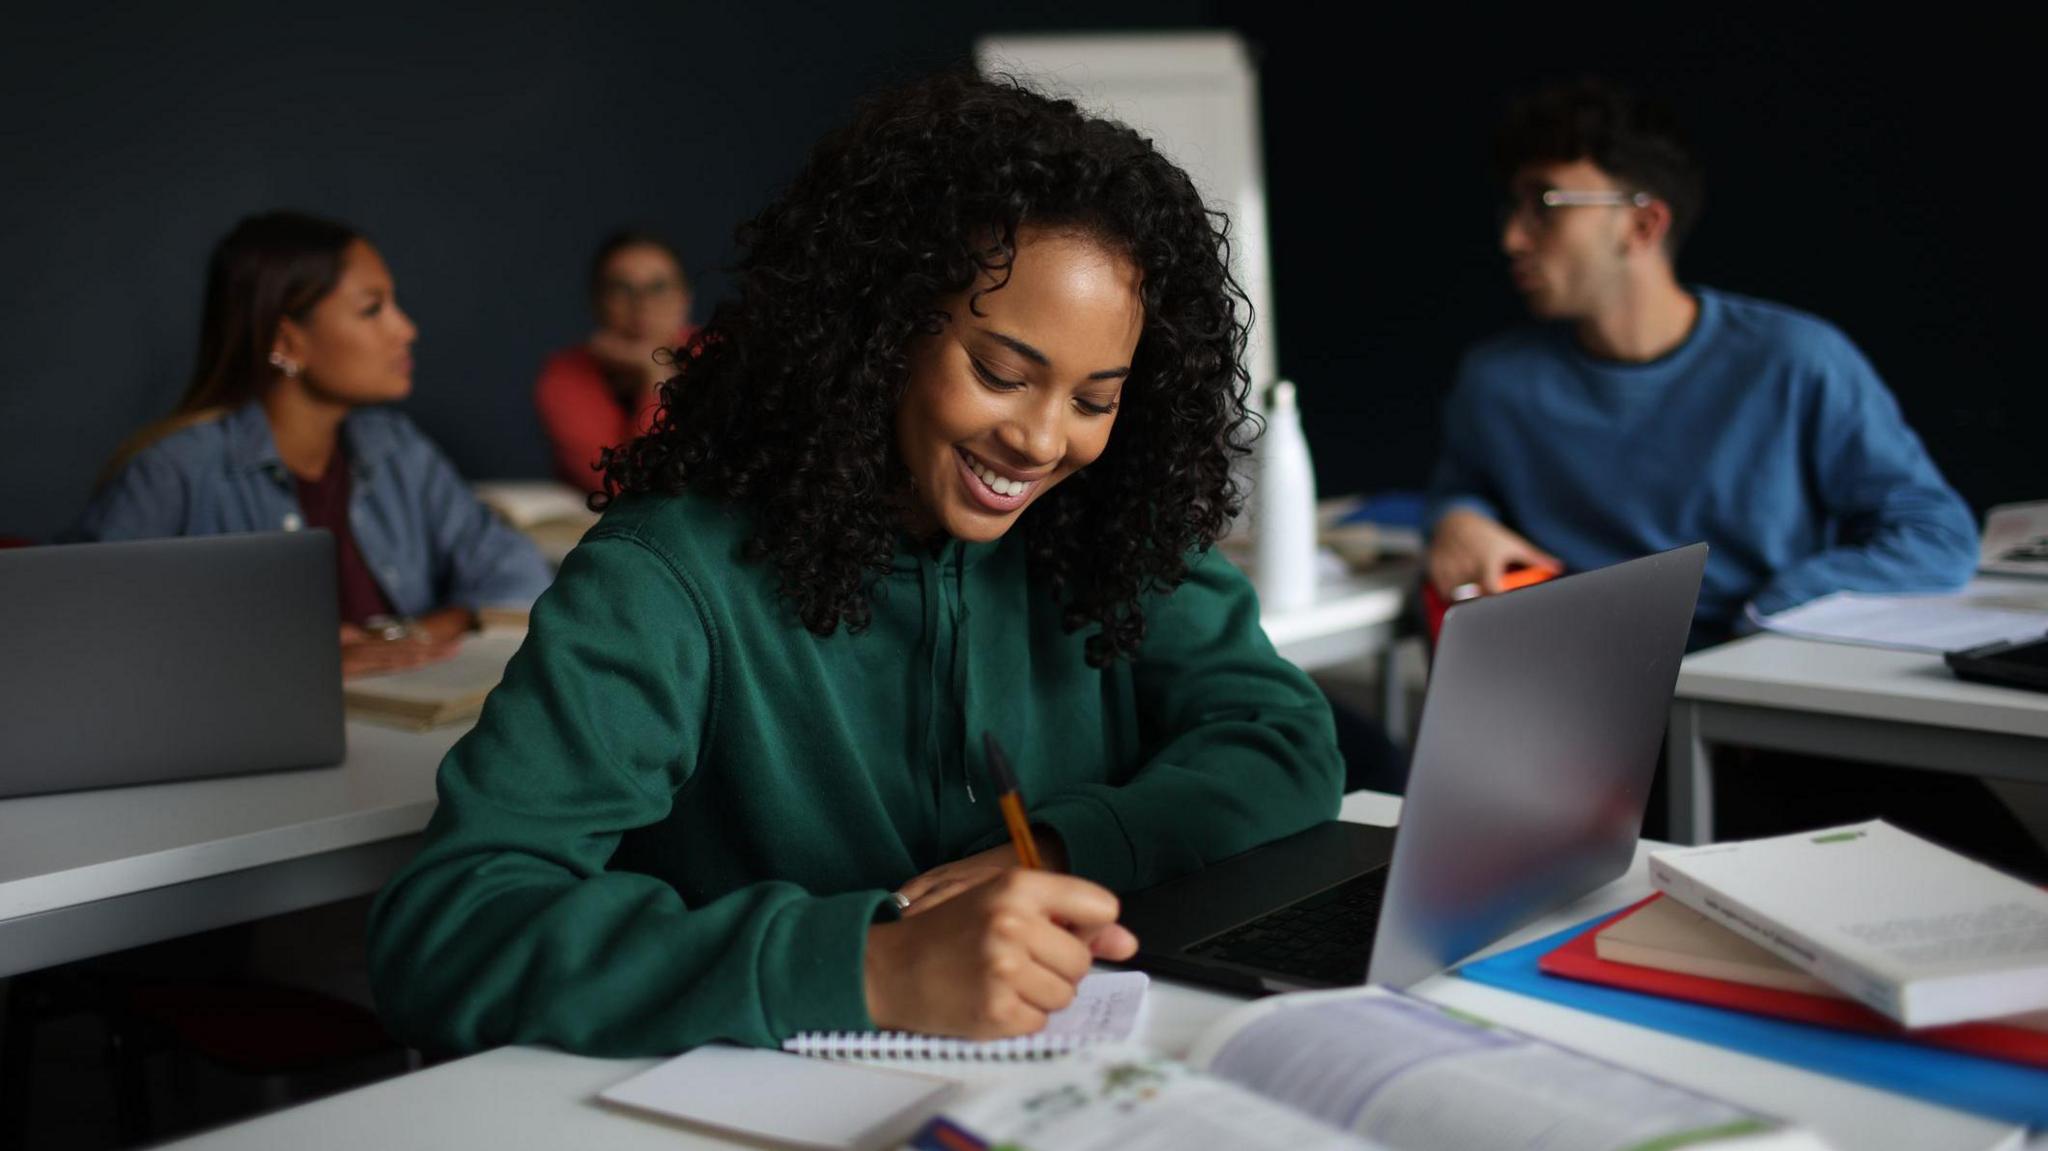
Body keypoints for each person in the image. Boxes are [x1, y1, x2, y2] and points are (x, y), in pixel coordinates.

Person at [367, 73, 1346, 1056]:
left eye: (1094, 399)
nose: (1042, 440)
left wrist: (1056, 843)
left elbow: (1284, 737)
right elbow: (449, 927)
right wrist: (872, 964)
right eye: (999, 373)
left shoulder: (1101, 527)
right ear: (880, 327)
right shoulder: (666, 579)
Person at [1424, 78, 1977, 649]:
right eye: (1512, 208)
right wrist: (1456, 518)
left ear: (1642, 225)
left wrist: (1774, 608)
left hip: (1758, 679)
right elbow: (1462, 486)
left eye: (1544, 205)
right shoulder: (1496, 382)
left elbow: (1936, 534)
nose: (1512, 238)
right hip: (1577, 680)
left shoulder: (1794, 360)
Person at [71, 211, 551, 679]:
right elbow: (76, 640)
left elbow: (520, 573)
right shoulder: (174, 471)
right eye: (371, 309)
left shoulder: (397, 448)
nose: (406, 329)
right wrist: (284, 663)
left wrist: (416, 632)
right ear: (288, 341)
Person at [534, 231, 697, 493]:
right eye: (622, 289)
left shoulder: (719, 356)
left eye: (658, 288)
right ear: (597, 302)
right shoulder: (565, 375)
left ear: (685, 298)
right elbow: (623, 487)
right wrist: (654, 376)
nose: (642, 305)